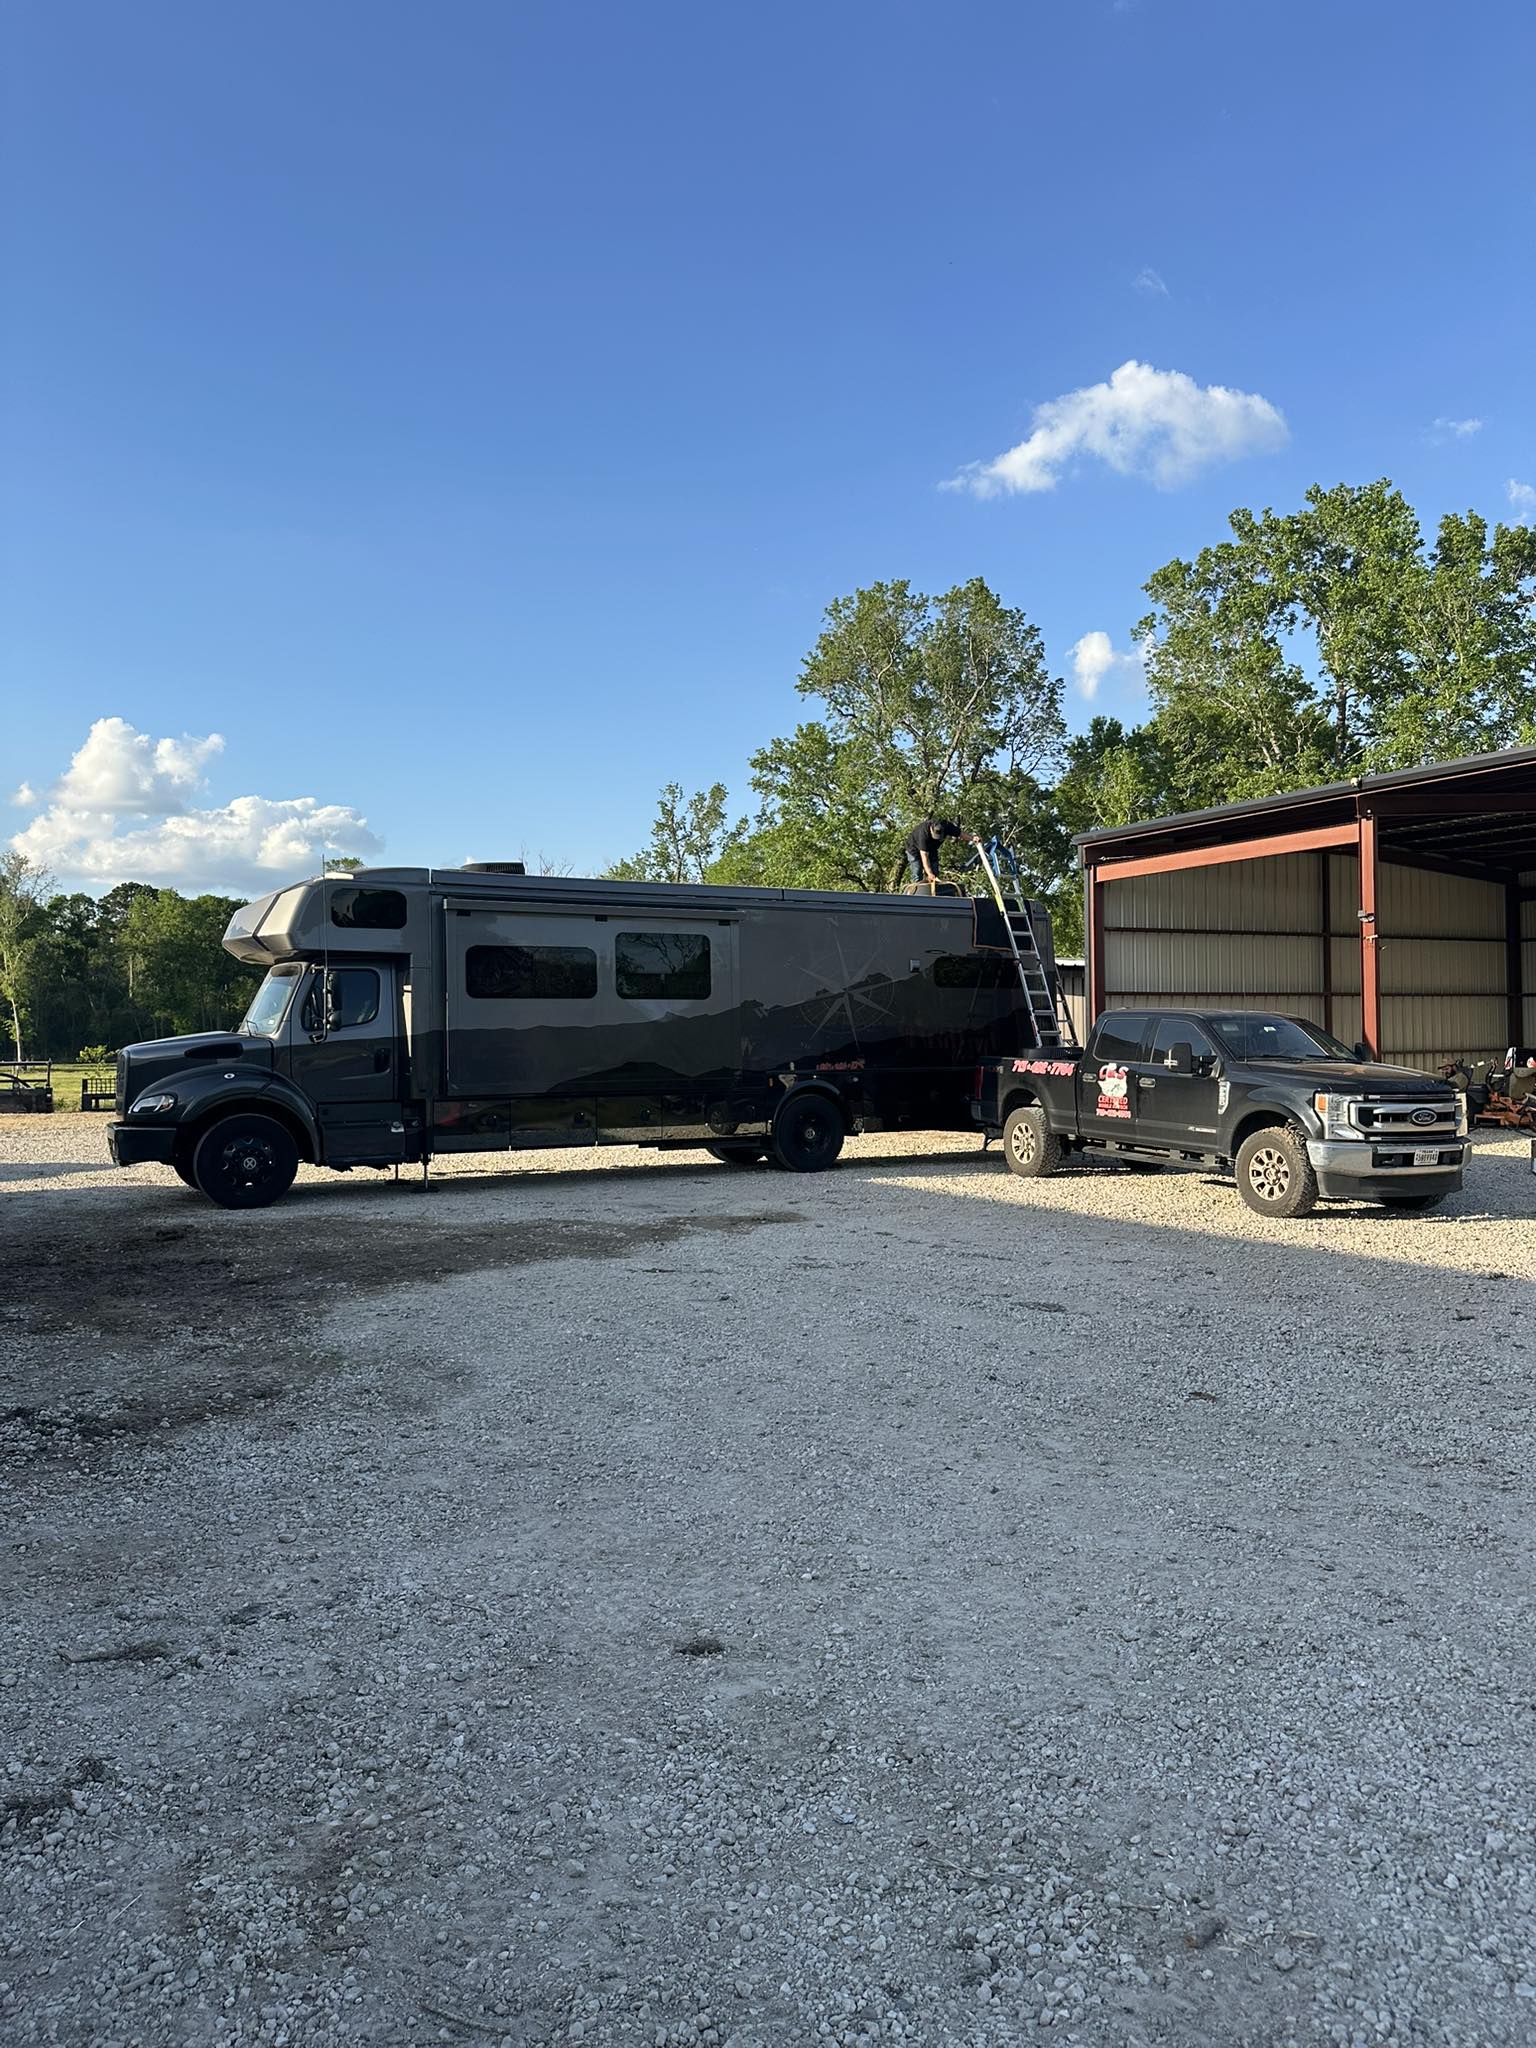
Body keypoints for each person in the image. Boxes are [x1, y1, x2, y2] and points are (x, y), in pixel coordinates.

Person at [904, 816, 964, 885]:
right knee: (917, 872)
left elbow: (960, 833)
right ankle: (916, 891)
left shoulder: (947, 826)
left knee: (935, 873)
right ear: (931, 829)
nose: (937, 838)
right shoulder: (923, 833)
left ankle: (933, 891)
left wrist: (973, 838)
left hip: (932, 849)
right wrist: (929, 873)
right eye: (935, 836)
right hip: (914, 850)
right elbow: (924, 857)